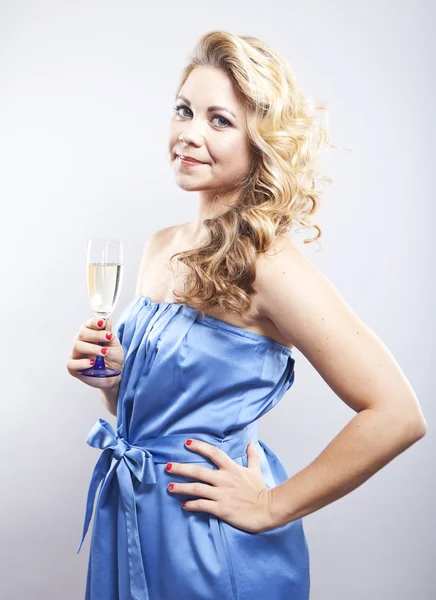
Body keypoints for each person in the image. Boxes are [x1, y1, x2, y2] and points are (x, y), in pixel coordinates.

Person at [67, 30, 427, 600]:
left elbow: (397, 414)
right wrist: (112, 381)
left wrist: (269, 504)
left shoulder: (270, 265)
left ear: (261, 143)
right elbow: (153, 407)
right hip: (131, 512)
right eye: (184, 110)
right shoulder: (160, 245)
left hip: (208, 539)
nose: (188, 133)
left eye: (219, 120)